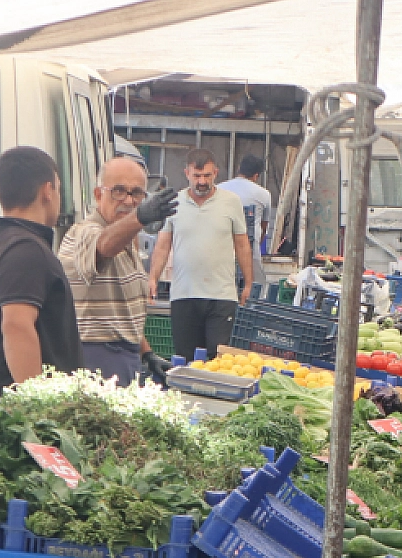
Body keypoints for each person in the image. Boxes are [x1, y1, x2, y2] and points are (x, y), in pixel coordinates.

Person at [55, 158, 177, 384]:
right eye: (119, 191)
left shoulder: (129, 240)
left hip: (125, 355)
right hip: (95, 358)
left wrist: (146, 353)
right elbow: (103, 246)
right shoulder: (84, 232)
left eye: (137, 193)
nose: (129, 201)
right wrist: (139, 217)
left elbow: (123, 313)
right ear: (98, 194)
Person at [0, 146, 83, 400]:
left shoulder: (14, 244)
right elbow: (16, 325)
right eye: (58, 188)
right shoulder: (25, 250)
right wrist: (36, 406)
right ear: (47, 191)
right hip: (22, 415)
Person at [148, 148, 252, 358]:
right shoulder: (174, 203)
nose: (202, 181)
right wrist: (153, 277)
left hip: (221, 296)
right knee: (185, 359)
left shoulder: (231, 202)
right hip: (184, 294)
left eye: (206, 175)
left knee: (217, 361)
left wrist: (248, 284)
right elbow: (162, 245)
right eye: (197, 176)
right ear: (186, 173)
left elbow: (242, 244)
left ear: (216, 173)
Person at [220, 154, 273, 293]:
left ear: (239, 168)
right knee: (255, 291)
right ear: (256, 176)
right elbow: (263, 227)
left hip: (222, 249)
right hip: (251, 251)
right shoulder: (264, 194)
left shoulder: (219, 189)